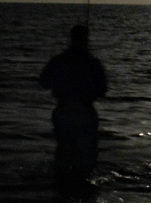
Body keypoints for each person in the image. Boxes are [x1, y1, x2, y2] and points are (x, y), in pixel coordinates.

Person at [40, 25, 106, 182]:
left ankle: (61, 190)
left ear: (71, 39)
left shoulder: (57, 61)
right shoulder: (93, 63)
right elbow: (102, 91)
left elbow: (44, 83)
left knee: (63, 153)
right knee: (86, 159)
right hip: (85, 112)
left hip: (63, 112)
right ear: (86, 39)